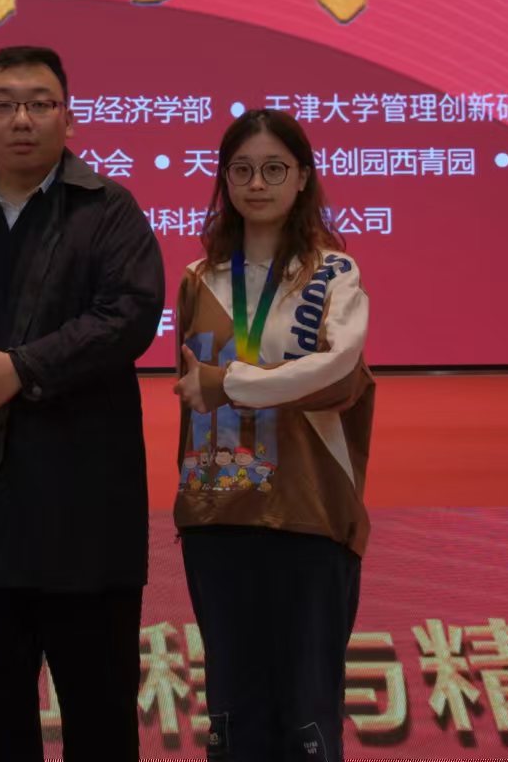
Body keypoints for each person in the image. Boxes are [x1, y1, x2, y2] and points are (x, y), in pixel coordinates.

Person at [0, 45, 164, 762]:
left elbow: (129, 315)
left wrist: (23, 369)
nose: (22, 119)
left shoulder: (106, 209)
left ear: (67, 117)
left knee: (100, 726)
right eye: (4, 104)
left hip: (84, 517)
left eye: (40, 103)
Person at [172, 108, 374, 762]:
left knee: (307, 718)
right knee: (233, 717)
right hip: (219, 513)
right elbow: (190, 395)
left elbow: (339, 369)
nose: (257, 183)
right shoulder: (199, 278)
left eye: (274, 169)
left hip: (308, 512)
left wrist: (230, 383)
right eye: (242, 170)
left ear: (303, 177)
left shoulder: (334, 274)